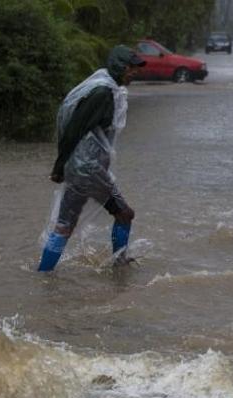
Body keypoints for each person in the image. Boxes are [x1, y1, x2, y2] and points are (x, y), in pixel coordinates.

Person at [38, 45, 146, 272]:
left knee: (64, 226)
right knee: (125, 213)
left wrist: (63, 166)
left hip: (81, 169)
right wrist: (59, 166)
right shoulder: (102, 93)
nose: (134, 72)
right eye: (130, 67)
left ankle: (44, 275)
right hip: (89, 170)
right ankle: (119, 268)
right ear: (119, 66)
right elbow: (74, 128)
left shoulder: (105, 88)